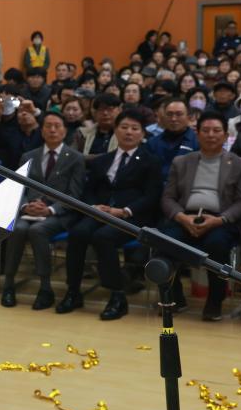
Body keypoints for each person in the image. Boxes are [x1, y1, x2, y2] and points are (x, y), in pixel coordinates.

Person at [57, 109, 162, 320]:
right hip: (100, 213)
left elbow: (152, 195)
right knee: (77, 233)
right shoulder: (103, 160)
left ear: (142, 134)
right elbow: (88, 190)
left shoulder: (151, 161)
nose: (129, 133)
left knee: (103, 237)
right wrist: (93, 206)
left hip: (131, 217)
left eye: (134, 129)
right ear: (116, 131)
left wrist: (125, 211)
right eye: (124, 127)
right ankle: (73, 291)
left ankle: (117, 296)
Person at [160, 111, 241, 320]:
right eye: (206, 130)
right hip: (186, 217)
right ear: (198, 133)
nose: (211, 135)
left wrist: (219, 220)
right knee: (165, 241)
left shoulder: (240, 164)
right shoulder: (181, 162)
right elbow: (167, 198)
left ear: (226, 134)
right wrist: (182, 217)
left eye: (216, 130)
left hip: (221, 220)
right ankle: (173, 298)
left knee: (216, 245)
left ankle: (215, 300)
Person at [0, 112, 85, 310]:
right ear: (42, 130)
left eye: (57, 126)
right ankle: (8, 284)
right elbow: (17, 188)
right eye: (48, 126)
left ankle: (45, 288)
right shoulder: (28, 156)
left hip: (59, 214)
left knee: (37, 231)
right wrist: (24, 206)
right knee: (17, 228)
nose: (53, 130)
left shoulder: (76, 158)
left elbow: (75, 195)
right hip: (28, 211)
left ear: (65, 131)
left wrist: (51, 210)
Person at [147, 98, 197, 181]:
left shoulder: (198, 143)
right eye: (169, 114)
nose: (173, 119)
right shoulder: (152, 143)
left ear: (188, 117)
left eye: (179, 114)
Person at [75, 93, 121, 158]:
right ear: (95, 113)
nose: (105, 113)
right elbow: (73, 157)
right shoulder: (82, 134)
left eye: (110, 109)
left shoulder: (125, 134)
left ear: (119, 111)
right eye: (101, 109)